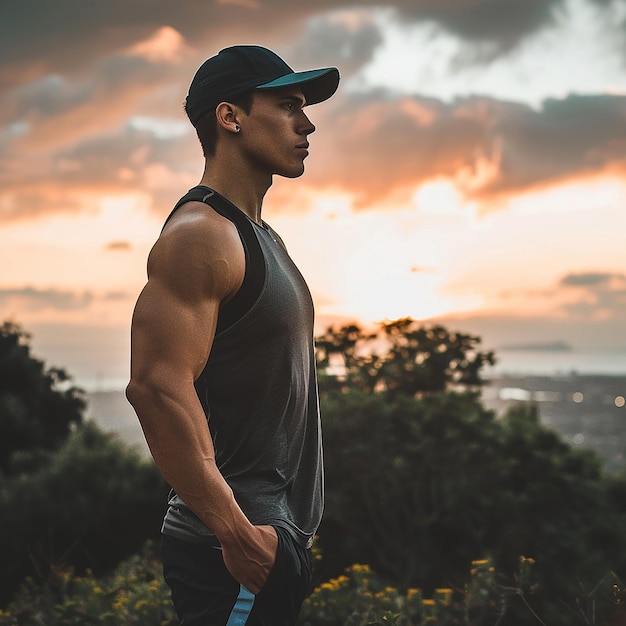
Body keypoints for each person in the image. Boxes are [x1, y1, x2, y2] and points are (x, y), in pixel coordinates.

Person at [126, 45, 340, 626]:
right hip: (230, 555)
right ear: (230, 116)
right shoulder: (202, 235)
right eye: (288, 104)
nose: (308, 122)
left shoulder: (259, 235)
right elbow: (155, 386)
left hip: (268, 545)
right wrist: (237, 534)